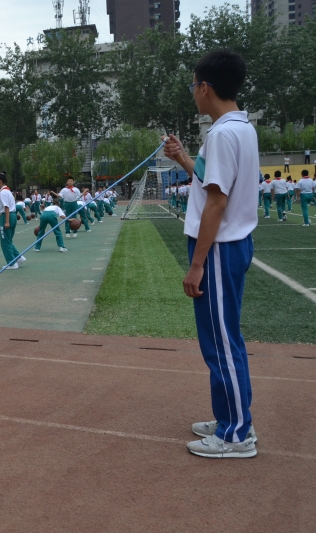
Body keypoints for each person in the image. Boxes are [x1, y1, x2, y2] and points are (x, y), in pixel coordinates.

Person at [163, 49, 258, 458]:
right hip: (233, 245)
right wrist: (183, 158)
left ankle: (236, 434)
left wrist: (197, 264)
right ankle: (232, 418)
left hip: (219, 249)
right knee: (226, 337)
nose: (193, 93)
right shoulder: (240, 127)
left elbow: (216, 204)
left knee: (220, 343)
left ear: (205, 87)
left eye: (193, 85)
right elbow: (210, 184)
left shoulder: (221, 134)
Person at [0, 172, 23, 270]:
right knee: (9, 240)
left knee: (5, 242)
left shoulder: (3, 193)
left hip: (8, 216)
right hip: (12, 215)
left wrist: (6, 221)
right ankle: (19, 258)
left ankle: (12, 263)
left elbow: (6, 207)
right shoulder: (8, 191)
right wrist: (0, 214)